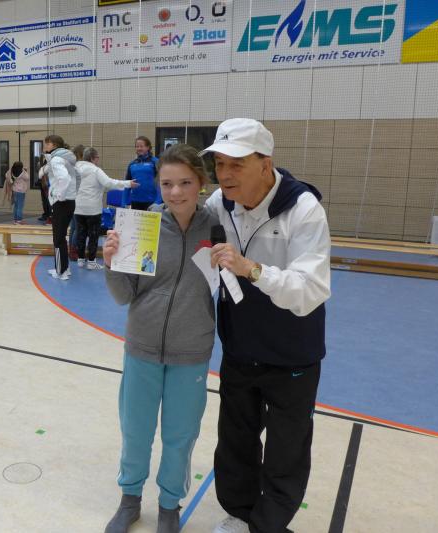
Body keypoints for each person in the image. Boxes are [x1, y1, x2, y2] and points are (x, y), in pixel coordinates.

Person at [200, 118, 331, 533]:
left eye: (236, 164)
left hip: (292, 354)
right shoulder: (220, 202)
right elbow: (188, 231)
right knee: (235, 442)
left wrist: (252, 270)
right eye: (220, 163)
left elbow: (311, 290)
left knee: (286, 451)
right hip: (240, 348)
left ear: (265, 164)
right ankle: (240, 514)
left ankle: (269, 525)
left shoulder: (304, 210)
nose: (224, 174)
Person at [102, 144, 218, 533]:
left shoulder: (217, 228)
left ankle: (169, 506)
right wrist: (111, 263)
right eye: (167, 184)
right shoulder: (144, 226)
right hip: (142, 347)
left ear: (201, 183)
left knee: (180, 435)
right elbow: (124, 295)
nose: (176, 192)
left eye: (185, 182)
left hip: (192, 351)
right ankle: (130, 500)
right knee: (136, 431)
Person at [74, 147, 138, 269]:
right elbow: (109, 183)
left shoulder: (76, 168)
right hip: (92, 209)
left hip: (78, 208)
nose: (98, 159)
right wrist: (128, 183)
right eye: (97, 157)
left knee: (80, 234)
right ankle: (91, 262)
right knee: (93, 235)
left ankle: (80, 260)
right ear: (93, 158)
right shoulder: (95, 170)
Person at [44, 134, 78, 280]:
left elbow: (64, 178)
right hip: (69, 202)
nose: (45, 146)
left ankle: (61, 271)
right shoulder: (65, 158)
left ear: (54, 145)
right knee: (61, 237)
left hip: (62, 203)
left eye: (47, 143)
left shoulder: (57, 159)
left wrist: (59, 196)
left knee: (58, 238)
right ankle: (64, 268)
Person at [123, 136, 162, 211]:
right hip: (135, 202)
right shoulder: (132, 164)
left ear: (148, 147)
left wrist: (158, 201)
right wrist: (123, 201)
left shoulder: (155, 162)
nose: (139, 148)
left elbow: (161, 182)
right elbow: (127, 184)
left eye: (141, 146)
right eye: (137, 146)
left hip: (152, 203)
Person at [37, 154, 52, 224]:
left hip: (48, 184)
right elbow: (40, 175)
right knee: (45, 201)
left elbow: (41, 174)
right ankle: (47, 215)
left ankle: (50, 216)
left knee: (49, 201)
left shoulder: (49, 165)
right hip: (43, 184)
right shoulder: (41, 165)